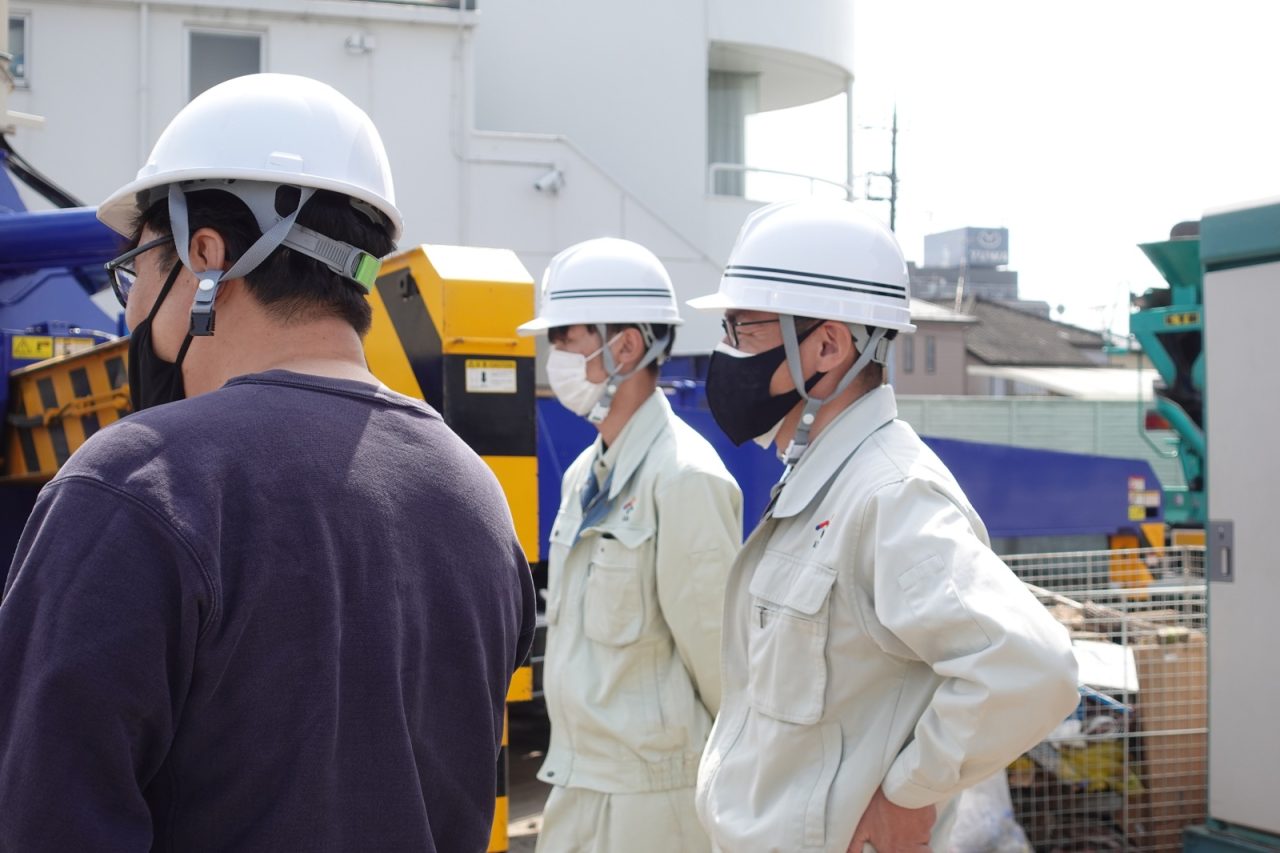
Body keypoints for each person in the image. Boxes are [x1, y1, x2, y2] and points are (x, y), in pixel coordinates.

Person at [0, 73, 535, 852]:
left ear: (205, 253)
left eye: (138, 270)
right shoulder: (477, 497)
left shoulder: (133, 485)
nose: (130, 309)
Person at [688, 199, 1079, 852]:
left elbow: (1033, 666)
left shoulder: (890, 494)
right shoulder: (823, 483)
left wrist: (907, 790)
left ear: (828, 345)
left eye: (743, 329)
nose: (725, 354)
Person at [515, 238, 742, 853]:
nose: (554, 354)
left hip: (656, 804)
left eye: (566, 336)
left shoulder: (685, 478)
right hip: (578, 781)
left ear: (628, 346)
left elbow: (725, 667)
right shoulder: (582, 475)